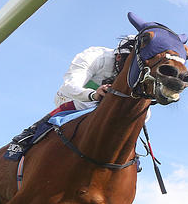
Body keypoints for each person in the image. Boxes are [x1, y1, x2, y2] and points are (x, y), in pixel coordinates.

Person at [8, 36, 137, 155]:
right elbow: (70, 86)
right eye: (127, 64)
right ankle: (30, 133)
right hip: (72, 97)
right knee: (88, 103)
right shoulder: (95, 56)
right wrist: (93, 95)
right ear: (119, 56)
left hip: (102, 105)